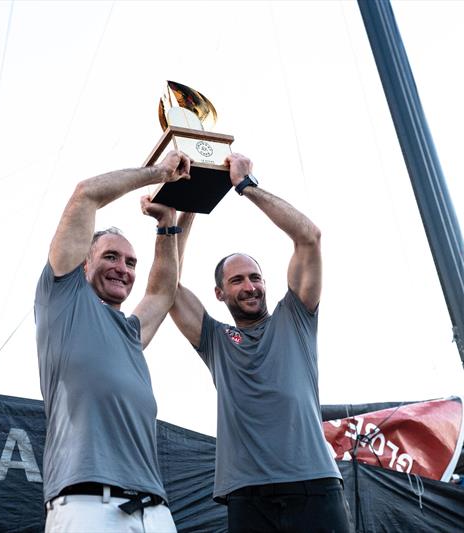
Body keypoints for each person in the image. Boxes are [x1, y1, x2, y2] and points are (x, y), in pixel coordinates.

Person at [170, 153, 352, 533]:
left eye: (255, 277)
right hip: (247, 494)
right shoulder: (215, 339)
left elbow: (309, 236)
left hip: (314, 486)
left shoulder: (296, 315)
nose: (250, 286)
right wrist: (189, 207)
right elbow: (166, 287)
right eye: (237, 281)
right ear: (219, 293)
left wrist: (247, 187)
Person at [34, 151, 191, 533]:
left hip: (153, 510)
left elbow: (162, 292)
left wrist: (172, 218)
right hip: (88, 506)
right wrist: (158, 173)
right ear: (84, 263)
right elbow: (85, 194)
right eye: (111, 256)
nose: (123, 268)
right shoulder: (62, 300)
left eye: (131, 262)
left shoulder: (131, 333)